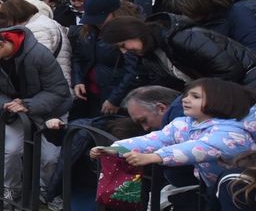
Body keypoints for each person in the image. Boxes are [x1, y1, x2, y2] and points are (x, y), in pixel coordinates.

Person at [0, 23, 73, 208]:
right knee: (11, 150)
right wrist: (5, 104)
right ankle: (10, 188)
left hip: (50, 109)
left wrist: (27, 104)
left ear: (1, 44)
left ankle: (46, 190)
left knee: (50, 157)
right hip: (13, 110)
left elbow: (58, 90)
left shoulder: (39, 54)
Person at [92, 78, 254, 198]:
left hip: (244, 191)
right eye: (187, 95)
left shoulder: (232, 132)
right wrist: (116, 149)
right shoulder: (185, 124)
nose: (185, 99)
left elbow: (200, 148)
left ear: (219, 101)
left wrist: (155, 157)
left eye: (195, 97)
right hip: (218, 188)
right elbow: (156, 139)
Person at [101, 14, 256, 90]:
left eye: (123, 44)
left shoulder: (184, 38)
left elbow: (230, 70)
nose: (124, 51)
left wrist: (201, 96)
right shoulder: (151, 55)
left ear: (134, 33)